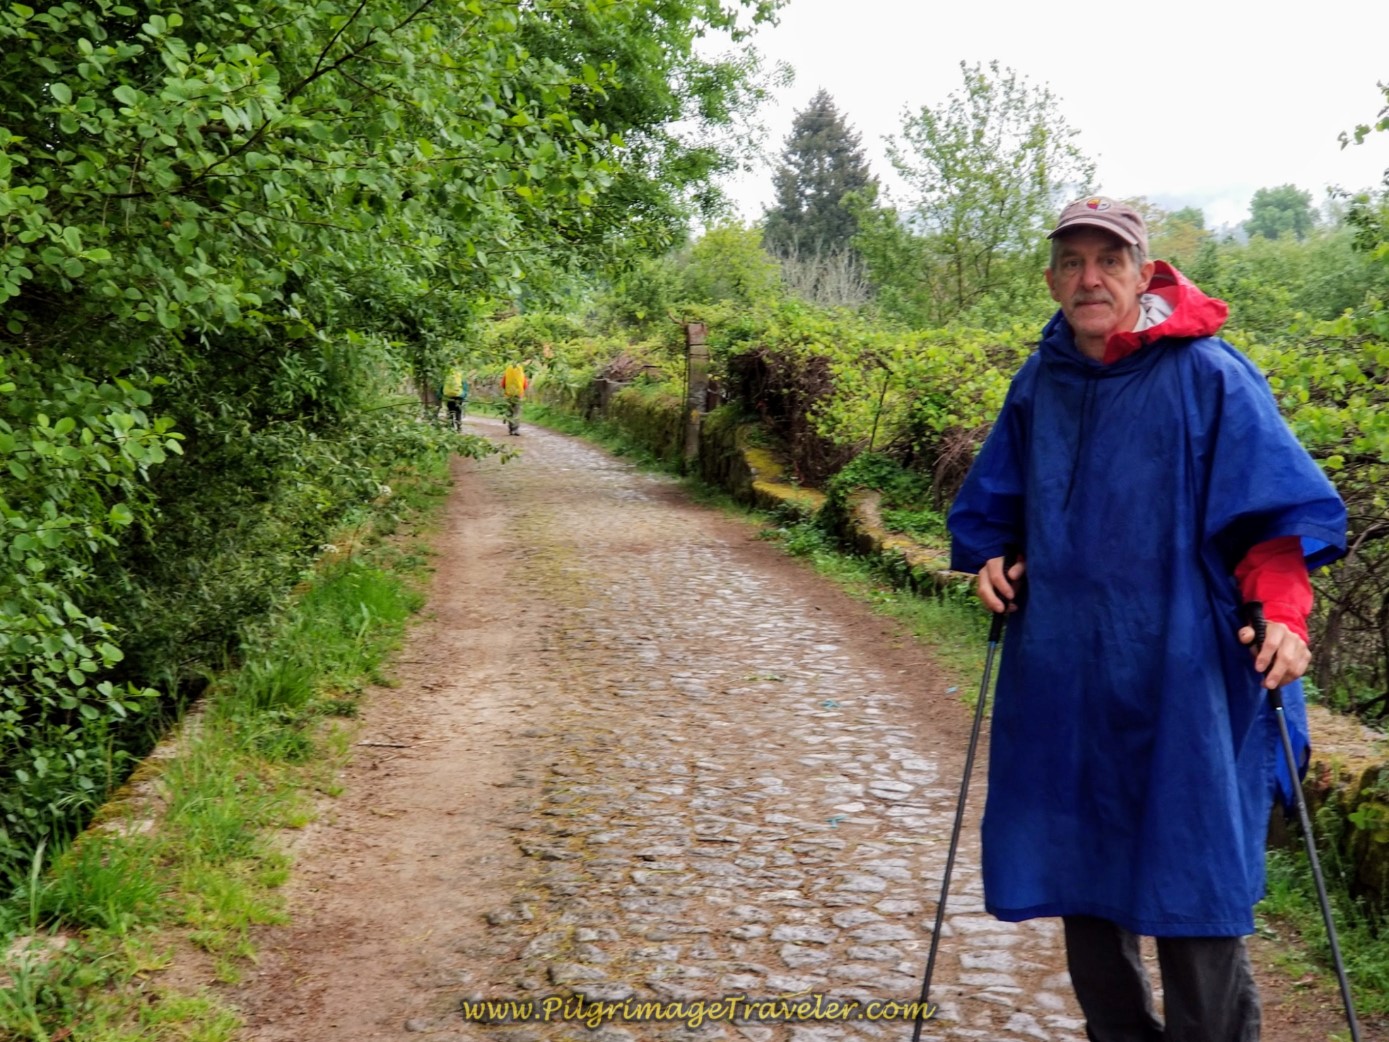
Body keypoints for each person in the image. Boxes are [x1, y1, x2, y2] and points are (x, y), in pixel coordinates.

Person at [946, 196, 1347, 1042]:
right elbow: (995, 506)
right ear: (1052, 277)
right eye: (1072, 262)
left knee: (1190, 872)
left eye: (1109, 260)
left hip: (1187, 670)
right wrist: (994, 556)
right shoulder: (1041, 380)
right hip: (1066, 670)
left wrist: (1283, 615)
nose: (1089, 278)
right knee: (1080, 863)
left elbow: (1270, 521)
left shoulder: (1208, 375)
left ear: (1141, 270)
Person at [500, 361, 528, 435]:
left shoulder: (507, 373)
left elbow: (502, 384)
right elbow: (525, 385)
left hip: (508, 395)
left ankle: (511, 428)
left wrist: (508, 390)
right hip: (519, 395)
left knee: (510, 411)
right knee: (517, 412)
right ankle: (516, 429)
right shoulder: (521, 373)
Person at [440, 365, 469, 432]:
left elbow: (442, 386)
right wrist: (464, 395)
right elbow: (465, 386)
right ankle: (459, 428)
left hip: (449, 396)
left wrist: (441, 395)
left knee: (450, 411)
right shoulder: (460, 376)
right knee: (458, 412)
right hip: (459, 396)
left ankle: (451, 427)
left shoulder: (447, 376)